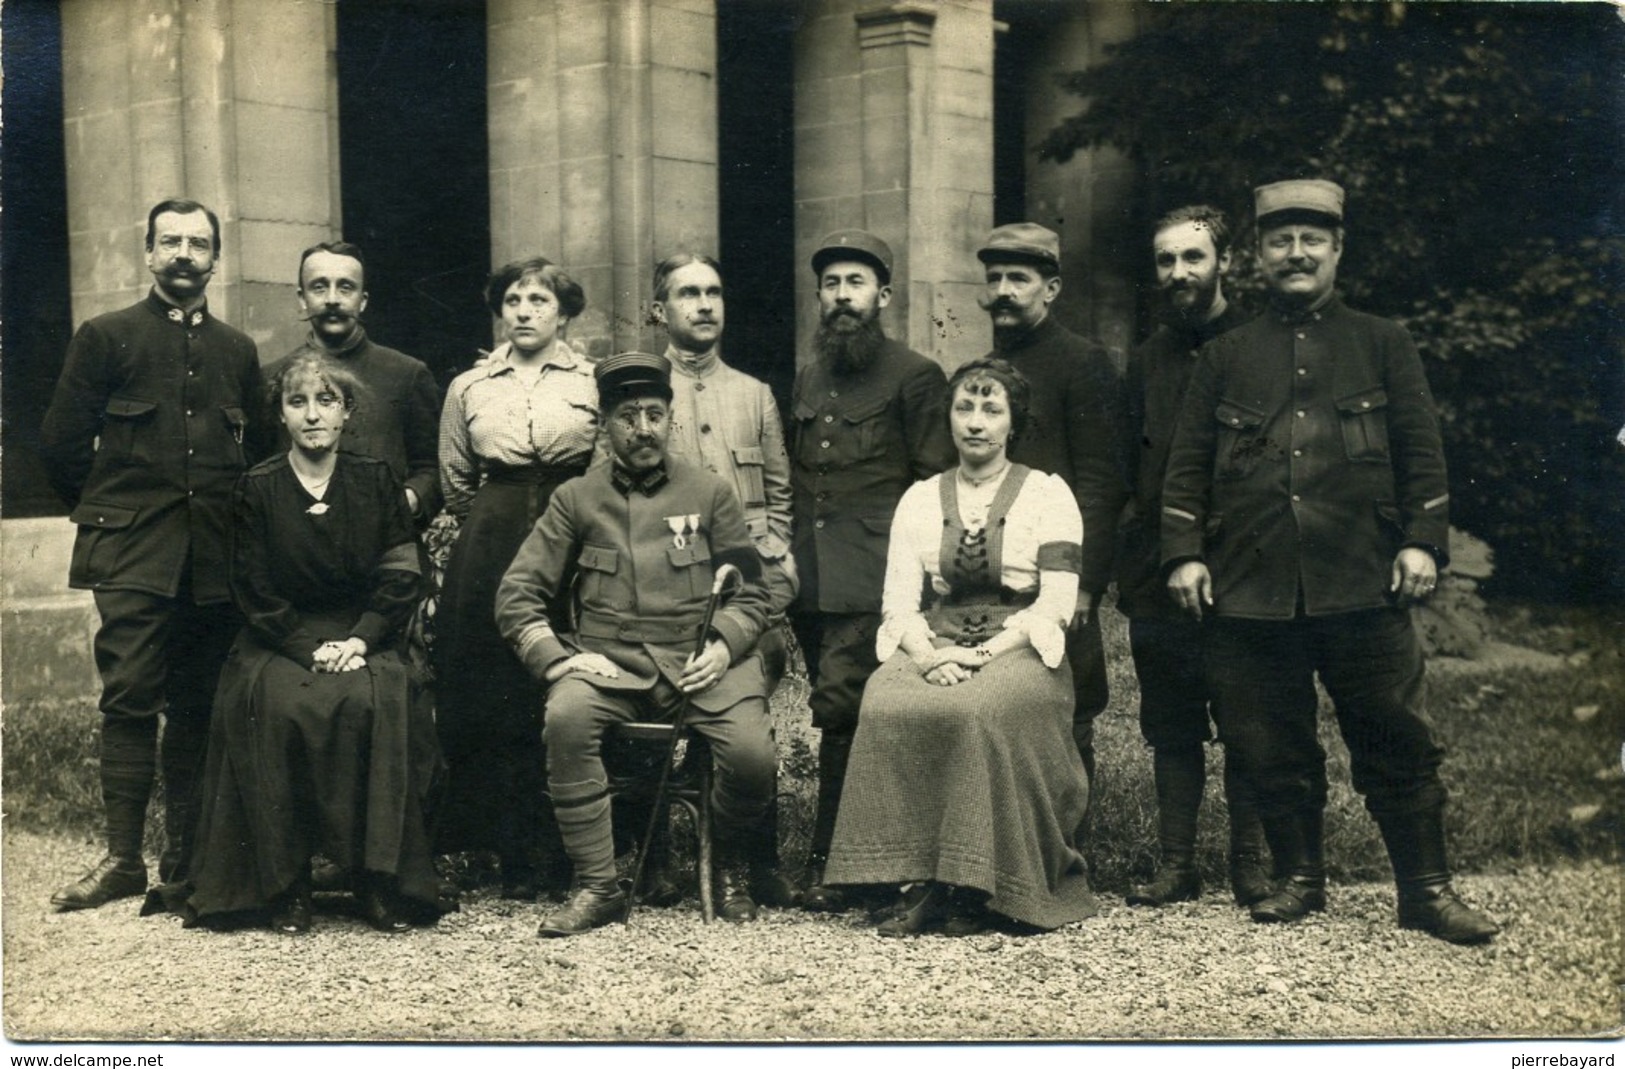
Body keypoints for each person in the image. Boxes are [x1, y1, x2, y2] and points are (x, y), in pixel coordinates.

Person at [1161, 179, 1498, 944]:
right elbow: (1185, 468)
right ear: (1257, 256)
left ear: (1337, 249)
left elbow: (1421, 456)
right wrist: (1182, 552)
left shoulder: (1383, 342)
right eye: (1279, 240)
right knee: (1268, 740)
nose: (1295, 252)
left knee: (1394, 737)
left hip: (1361, 579)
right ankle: (1299, 879)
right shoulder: (1224, 356)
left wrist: (1420, 541)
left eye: (1311, 238)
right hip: (1251, 584)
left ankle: (1426, 890)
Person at [495, 352, 777, 935]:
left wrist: (724, 646)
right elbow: (517, 595)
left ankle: (724, 865)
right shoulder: (576, 498)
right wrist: (560, 661)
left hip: (702, 664)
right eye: (627, 416)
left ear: (670, 419)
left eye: (654, 413)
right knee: (567, 717)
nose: (643, 427)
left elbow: (752, 593)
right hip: (612, 666)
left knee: (753, 756)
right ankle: (598, 886)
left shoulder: (712, 493)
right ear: (604, 424)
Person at [40, 198, 270, 911]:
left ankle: (185, 855)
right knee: (130, 696)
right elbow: (61, 446)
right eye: (169, 241)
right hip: (134, 551)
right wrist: (118, 509)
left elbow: (257, 452)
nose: (183, 254)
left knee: (199, 702)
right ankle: (119, 859)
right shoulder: (105, 337)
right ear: (146, 253)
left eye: (197, 244)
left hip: (213, 556)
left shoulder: (237, 350)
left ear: (215, 260)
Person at [823, 358, 1096, 936]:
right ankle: (913, 877)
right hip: (939, 637)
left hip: (1023, 644)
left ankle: (976, 885)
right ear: (948, 417)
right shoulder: (920, 499)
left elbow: (1056, 605)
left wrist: (982, 656)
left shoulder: (1049, 495)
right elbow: (899, 602)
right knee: (884, 699)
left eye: (992, 410)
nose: (976, 422)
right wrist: (926, 657)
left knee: (978, 710)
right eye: (964, 408)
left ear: (1013, 423)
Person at [177, 354, 442, 933]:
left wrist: (360, 640)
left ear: (348, 413)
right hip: (280, 639)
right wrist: (305, 647)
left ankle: (377, 880)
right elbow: (252, 586)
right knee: (275, 706)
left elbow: (400, 573)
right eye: (298, 403)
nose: (313, 415)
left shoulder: (374, 480)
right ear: (280, 415)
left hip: (361, 633)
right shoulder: (258, 487)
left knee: (377, 701)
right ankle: (285, 883)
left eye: (327, 402)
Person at [787, 230, 956, 912]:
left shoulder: (915, 376)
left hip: (874, 573)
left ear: (882, 296)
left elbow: (931, 484)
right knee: (840, 712)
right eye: (831, 285)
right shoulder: (810, 375)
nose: (842, 297)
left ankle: (845, 865)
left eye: (855, 283)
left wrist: (913, 583)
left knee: (845, 710)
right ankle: (854, 860)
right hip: (811, 577)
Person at [1117, 206, 1269, 908]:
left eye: (1192, 258)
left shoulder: (1258, 344)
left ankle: (1252, 863)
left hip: (1239, 565)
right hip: (1156, 569)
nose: (1177, 273)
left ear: (1225, 263)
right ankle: (1176, 863)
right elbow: (1128, 464)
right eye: (1164, 260)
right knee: (1170, 720)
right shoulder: (1146, 357)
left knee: (1246, 717)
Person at [434, 257, 598, 900]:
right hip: (493, 539)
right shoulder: (470, 386)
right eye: (512, 300)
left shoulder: (591, 381)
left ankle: (569, 851)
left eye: (538, 300)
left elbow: (604, 462)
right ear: (499, 311)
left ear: (563, 312)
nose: (524, 311)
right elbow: (455, 482)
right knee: (494, 690)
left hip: (573, 530)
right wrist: (494, 525)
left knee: (565, 683)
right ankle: (512, 852)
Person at [649, 252, 800, 906]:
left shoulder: (753, 394)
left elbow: (778, 501)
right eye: (688, 294)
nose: (704, 305)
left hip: (745, 604)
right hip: (661, 597)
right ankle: (650, 856)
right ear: (661, 310)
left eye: (713, 291)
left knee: (748, 721)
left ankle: (744, 859)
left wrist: (769, 578)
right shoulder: (643, 396)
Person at [977, 222, 1129, 800]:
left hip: (1061, 574)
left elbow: (1100, 481)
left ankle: (1069, 850)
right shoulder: (986, 370)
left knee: (1069, 707)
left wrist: (1084, 585)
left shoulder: (1083, 363)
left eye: (1020, 278)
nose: (1004, 291)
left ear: (1052, 288)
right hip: (996, 573)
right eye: (994, 279)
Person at [265, 241, 441, 526]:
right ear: (302, 298)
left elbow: (431, 467)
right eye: (319, 287)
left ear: (363, 300)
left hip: (385, 543)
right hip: (297, 544)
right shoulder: (273, 377)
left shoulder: (407, 374)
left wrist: (409, 500)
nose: (332, 299)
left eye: (346, 287)